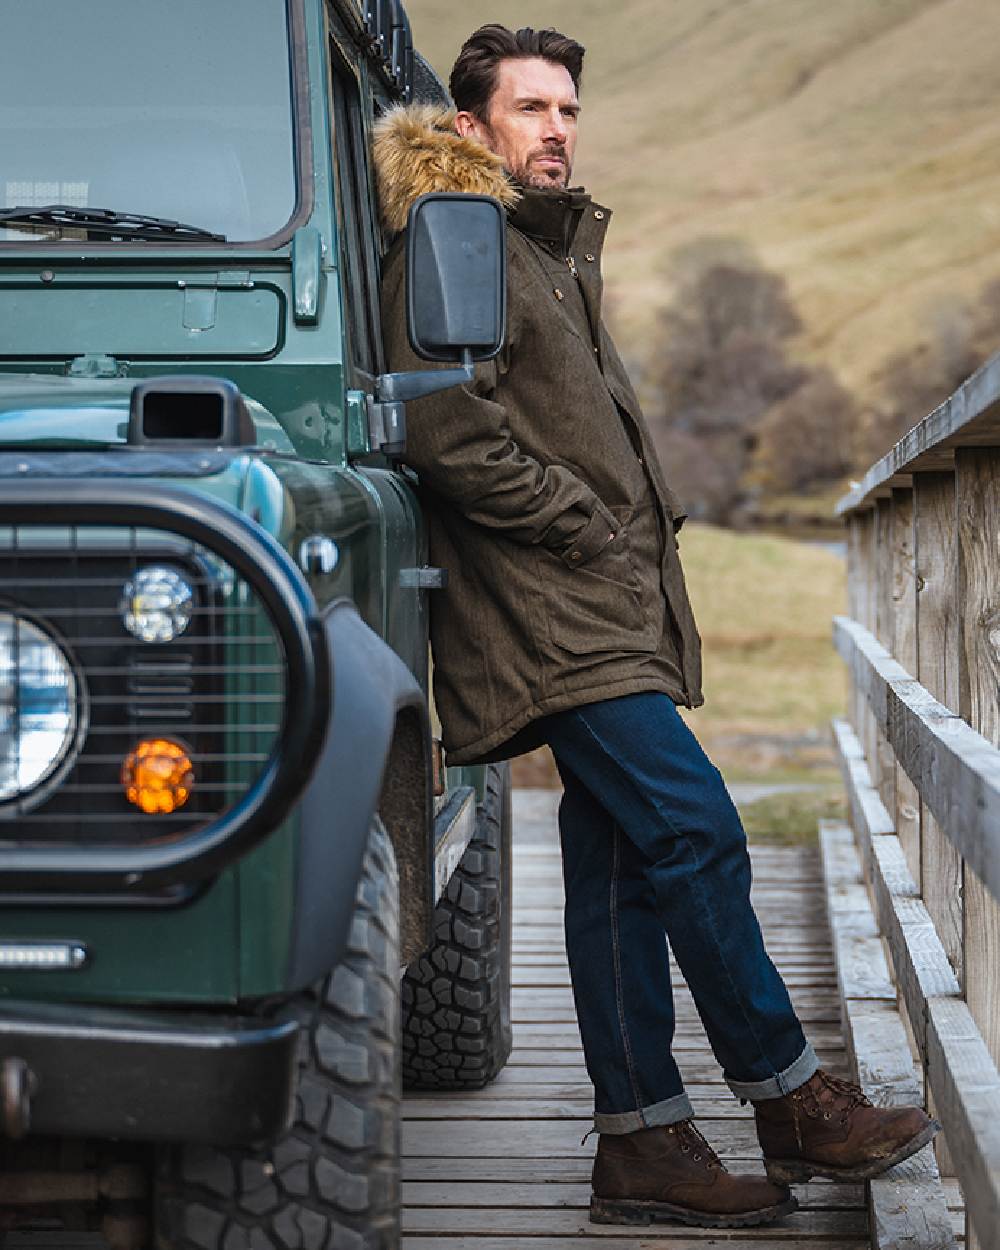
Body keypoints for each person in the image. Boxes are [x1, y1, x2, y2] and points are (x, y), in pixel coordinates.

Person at [375, 23, 939, 1230]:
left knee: (624, 866)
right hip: (548, 610)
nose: (558, 130)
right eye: (531, 110)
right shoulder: (452, 246)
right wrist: (584, 525)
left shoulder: (534, 246)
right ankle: (791, 1094)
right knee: (695, 825)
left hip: (591, 604)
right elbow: (446, 431)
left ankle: (642, 1145)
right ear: (468, 129)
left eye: (568, 109)